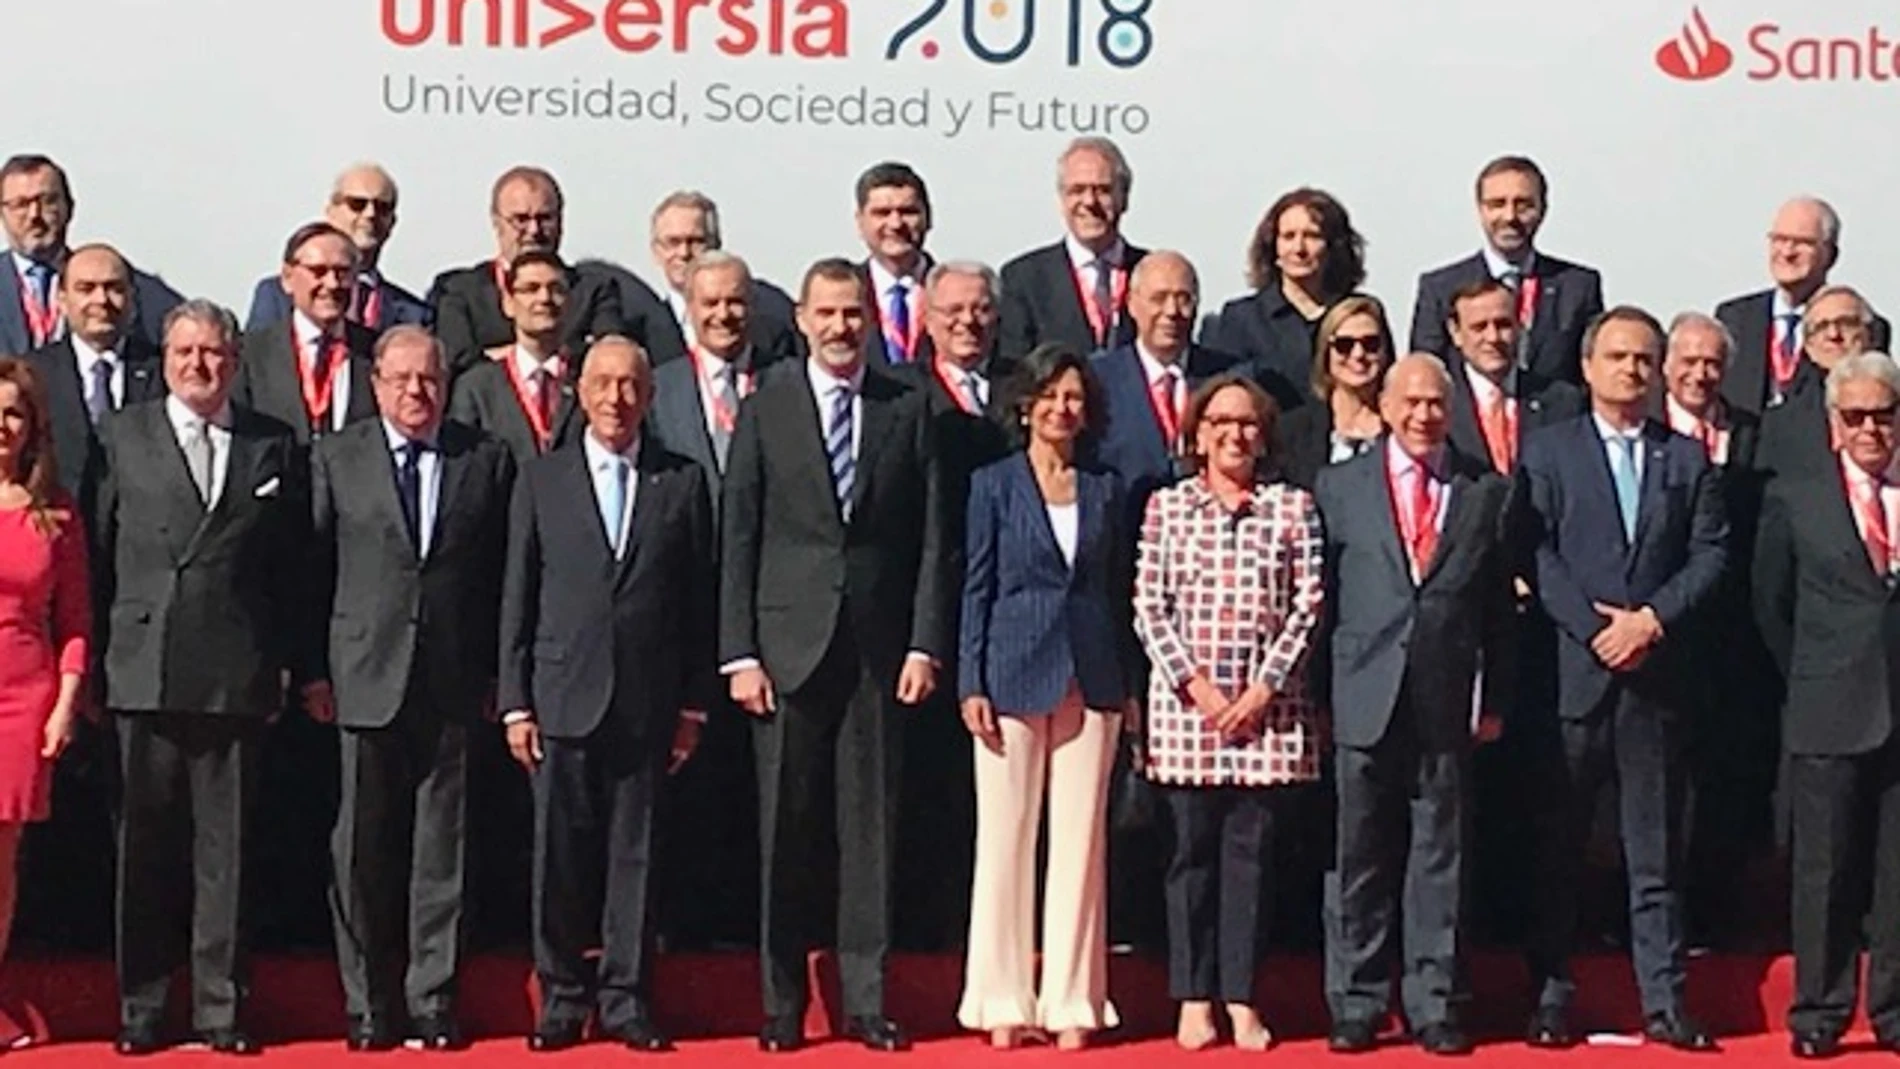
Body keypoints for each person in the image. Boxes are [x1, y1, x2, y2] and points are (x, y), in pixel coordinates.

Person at [719, 258, 950, 1054]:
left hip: (881, 653)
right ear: (806, 319)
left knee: (871, 834)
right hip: (785, 650)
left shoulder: (906, 405)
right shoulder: (767, 404)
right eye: (828, 313)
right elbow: (740, 534)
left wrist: (925, 642)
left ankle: (866, 999)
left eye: (854, 312)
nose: (843, 326)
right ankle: (781, 1003)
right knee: (786, 833)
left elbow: (930, 541)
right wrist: (738, 652)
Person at [96, 300, 304, 1056]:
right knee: (145, 856)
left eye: (213, 354)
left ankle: (222, 1010)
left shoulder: (270, 444)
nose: (198, 365)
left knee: (229, 856)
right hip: (143, 670)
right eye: (185, 352)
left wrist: (282, 661)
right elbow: (98, 545)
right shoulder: (123, 435)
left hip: (235, 675)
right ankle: (142, 1010)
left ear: (235, 362)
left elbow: (291, 567)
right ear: (166, 359)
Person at [1518, 306, 1727, 1052]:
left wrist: (1650, 621)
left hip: (1656, 680)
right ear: (1588, 365)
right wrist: (1595, 628)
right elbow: (1533, 551)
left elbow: (1710, 555)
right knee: (1560, 850)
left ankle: (1666, 1003)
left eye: (1645, 359)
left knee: (1655, 852)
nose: (1631, 370)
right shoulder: (1547, 453)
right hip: (1575, 676)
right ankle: (1549, 997)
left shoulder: (1687, 458)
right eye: (1618, 357)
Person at [499, 336, 716, 1053]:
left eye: (630, 385)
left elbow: (696, 603)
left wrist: (691, 705)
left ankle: (626, 998)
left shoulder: (679, 481)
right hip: (562, 693)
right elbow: (517, 596)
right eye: (603, 385)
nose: (617, 399)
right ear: (580, 394)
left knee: (639, 857)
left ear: (649, 396)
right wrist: (515, 700)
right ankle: (561, 996)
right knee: (558, 858)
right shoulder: (542, 478)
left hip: (647, 702)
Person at [301, 325, 515, 1051]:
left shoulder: (483, 459)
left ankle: (432, 999)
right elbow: (310, 572)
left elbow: (498, 580)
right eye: (400, 379)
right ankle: (367, 1003)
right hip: (362, 677)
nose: (415, 392)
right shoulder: (336, 457)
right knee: (361, 849)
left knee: (442, 850)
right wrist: (313, 671)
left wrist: (496, 674)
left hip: (452, 680)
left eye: (428, 379)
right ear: (376, 382)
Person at [1316, 354, 1513, 1057]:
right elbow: (1323, 603)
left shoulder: (1483, 491)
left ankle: (1434, 1001)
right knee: (1358, 855)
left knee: (1440, 857)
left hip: (1444, 698)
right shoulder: (1339, 487)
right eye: (1413, 402)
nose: (1426, 414)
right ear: (1389, 406)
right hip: (1361, 694)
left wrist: (1493, 701)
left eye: (1437, 403)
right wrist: (1319, 700)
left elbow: (1496, 611)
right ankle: (1358, 1001)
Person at [1133, 373, 1325, 1052]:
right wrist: (1200, 689)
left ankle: (1241, 994)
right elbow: (1149, 606)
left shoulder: (1292, 507)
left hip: (1269, 716)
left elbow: (1308, 605)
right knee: (1189, 858)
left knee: (1251, 861)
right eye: (1220, 422)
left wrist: (1263, 688)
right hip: (1189, 714)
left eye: (1247, 423)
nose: (1235, 434)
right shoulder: (1166, 506)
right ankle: (1193, 995)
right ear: (1198, 434)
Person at [955, 343, 1131, 1051]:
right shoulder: (994, 484)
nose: (1063, 409)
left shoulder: (1106, 488)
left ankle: (1073, 1000)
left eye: (1075, 398)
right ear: (1026, 404)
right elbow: (975, 585)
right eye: (1051, 396)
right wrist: (970, 678)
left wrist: (1129, 684)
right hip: (1009, 670)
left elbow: (1118, 591)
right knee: (1006, 840)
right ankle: (1002, 996)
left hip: (1093, 674)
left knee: (1081, 844)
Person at [1754, 351, 1900, 1060]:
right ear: (1834, 424)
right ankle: (1819, 1010)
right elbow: (1769, 606)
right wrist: (1811, 676)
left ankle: (1895, 1009)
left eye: (1884, 414)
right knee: (1826, 872)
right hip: (1827, 707)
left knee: (1897, 872)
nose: (1872, 428)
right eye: (1857, 416)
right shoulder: (1796, 496)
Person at [0, 358, 88, 1051]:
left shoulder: (54, 510)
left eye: (13, 413)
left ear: (31, 427)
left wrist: (65, 702)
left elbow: (76, 620)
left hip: (23, 699)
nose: (2, 426)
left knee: (1, 863)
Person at [1409, 155, 1604, 385]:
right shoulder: (1439, 288)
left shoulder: (1578, 287)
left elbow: (1594, 372)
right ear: (1480, 210)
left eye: (1523, 205)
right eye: (1497, 204)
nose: (1510, 216)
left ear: (1543, 209)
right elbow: (1426, 374)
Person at [426, 166, 624, 375]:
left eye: (545, 218)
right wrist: (551, 355)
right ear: (497, 223)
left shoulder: (595, 291)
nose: (534, 231)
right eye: (521, 219)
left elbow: (609, 358)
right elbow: (457, 360)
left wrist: (500, 355)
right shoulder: (459, 291)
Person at [1716, 197, 1892, 418]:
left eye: (1802, 242)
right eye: (1779, 240)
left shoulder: (1860, 326)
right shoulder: (1734, 319)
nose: (1788, 252)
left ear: (1831, 255)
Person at [1203, 188, 1366, 413]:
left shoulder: (1361, 316)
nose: (1299, 249)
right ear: (1273, 246)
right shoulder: (1242, 318)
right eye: (1288, 236)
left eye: (1312, 236)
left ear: (1333, 245)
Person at [0, 154, 182, 353]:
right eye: (20, 204)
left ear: (69, 208)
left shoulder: (131, 290)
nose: (34, 214)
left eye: (47, 201)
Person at [1000, 138, 1148, 362]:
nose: (1089, 201)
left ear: (1124, 197)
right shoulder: (1024, 279)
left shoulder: (1153, 273)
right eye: (1077, 190)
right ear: (1061, 199)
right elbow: (1014, 374)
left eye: (1103, 190)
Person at [233, 222, 378, 444]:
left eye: (342, 272)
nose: (332, 284)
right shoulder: (251, 354)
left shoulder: (376, 352)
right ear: (288, 278)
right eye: (318, 271)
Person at [243, 164, 430, 333]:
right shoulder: (278, 294)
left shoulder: (415, 314)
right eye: (357, 204)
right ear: (331, 212)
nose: (370, 214)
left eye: (382, 207)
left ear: (392, 222)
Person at [446, 250, 586, 464]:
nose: (545, 298)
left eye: (556, 289)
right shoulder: (477, 386)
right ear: (508, 303)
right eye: (531, 289)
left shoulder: (588, 378)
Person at [1275, 295, 1396, 489]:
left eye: (1371, 344)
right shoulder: (1293, 432)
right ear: (1325, 353)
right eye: (1344, 345)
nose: (1358, 355)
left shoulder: (1401, 428)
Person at [852, 162, 936, 366]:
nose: (896, 224)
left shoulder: (952, 293)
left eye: (908, 212)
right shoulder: (845, 295)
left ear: (928, 217)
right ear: (860, 222)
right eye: (882, 213)